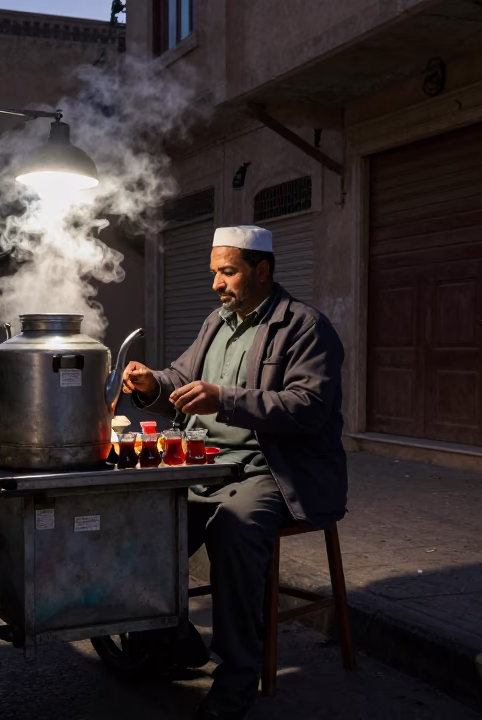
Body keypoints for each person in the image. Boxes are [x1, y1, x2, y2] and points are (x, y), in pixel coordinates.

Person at [123, 226, 347, 720]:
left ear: (261, 271)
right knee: (141, 524)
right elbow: (182, 378)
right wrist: (150, 383)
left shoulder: (306, 327)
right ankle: (175, 642)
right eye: (214, 273)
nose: (217, 284)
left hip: (271, 470)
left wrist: (224, 399)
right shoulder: (219, 321)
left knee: (235, 528)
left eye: (228, 272)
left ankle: (237, 678)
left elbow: (308, 406)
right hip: (203, 466)